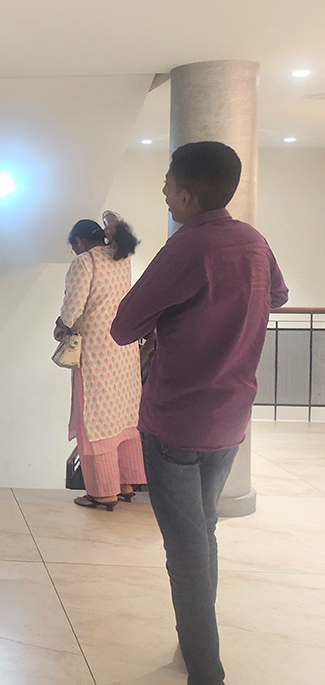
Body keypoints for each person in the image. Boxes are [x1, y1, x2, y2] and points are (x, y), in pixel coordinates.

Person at [111, 141, 289, 685]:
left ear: (188, 194)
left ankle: (206, 668)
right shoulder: (253, 242)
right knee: (203, 530)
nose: (163, 191)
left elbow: (124, 326)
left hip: (176, 420)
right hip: (231, 415)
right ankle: (195, 646)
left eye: (168, 183)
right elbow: (278, 296)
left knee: (186, 545)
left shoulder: (188, 247)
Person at [53, 212, 145, 511]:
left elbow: (73, 308)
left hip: (96, 353)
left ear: (79, 241)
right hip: (124, 348)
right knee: (123, 415)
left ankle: (103, 491)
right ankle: (126, 483)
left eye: (74, 246)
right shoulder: (121, 258)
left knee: (95, 418)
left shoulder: (85, 262)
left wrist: (60, 324)